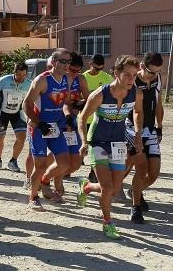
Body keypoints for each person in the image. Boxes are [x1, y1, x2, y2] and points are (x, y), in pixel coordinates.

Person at [77, 55, 143, 240]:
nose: (132, 79)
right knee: (107, 188)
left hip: (118, 142)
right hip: (97, 141)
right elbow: (82, 118)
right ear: (116, 74)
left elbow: (138, 112)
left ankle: (86, 187)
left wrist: (138, 136)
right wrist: (83, 142)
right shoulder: (100, 94)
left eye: (134, 75)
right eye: (127, 75)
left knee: (114, 190)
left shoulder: (136, 93)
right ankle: (108, 223)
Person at [22, 49, 73, 209]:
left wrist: (68, 114)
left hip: (56, 126)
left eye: (68, 61)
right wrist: (38, 122)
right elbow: (26, 104)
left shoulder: (67, 79)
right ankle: (33, 197)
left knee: (65, 163)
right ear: (54, 62)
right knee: (41, 165)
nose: (67, 65)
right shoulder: (41, 80)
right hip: (38, 127)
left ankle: (44, 182)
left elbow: (65, 102)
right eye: (63, 61)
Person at [125, 52, 164, 224]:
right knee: (141, 168)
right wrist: (137, 134)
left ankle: (135, 191)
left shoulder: (158, 79)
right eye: (151, 72)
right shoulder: (132, 81)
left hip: (151, 129)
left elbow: (159, 104)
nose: (154, 75)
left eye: (157, 72)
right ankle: (135, 208)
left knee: (154, 173)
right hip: (131, 128)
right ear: (142, 66)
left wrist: (160, 126)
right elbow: (134, 110)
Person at [52, 52, 89, 194]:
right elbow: (61, 102)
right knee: (56, 157)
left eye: (78, 71)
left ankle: (56, 177)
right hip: (56, 120)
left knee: (76, 163)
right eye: (72, 70)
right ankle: (52, 181)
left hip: (71, 122)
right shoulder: (58, 78)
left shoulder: (80, 79)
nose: (74, 73)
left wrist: (80, 104)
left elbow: (88, 99)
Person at [0, 62, 32, 172]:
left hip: (17, 112)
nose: (21, 78)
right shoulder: (5, 80)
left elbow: (33, 100)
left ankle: (13, 161)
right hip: (2, 112)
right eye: (19, 75)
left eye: (24, 75)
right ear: (14, 72)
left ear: (27, 74)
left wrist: (31, 115)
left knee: (21, 138)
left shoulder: (29, 84)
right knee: (0, 137)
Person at [82, 53, 113, 184]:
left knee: (97, 149)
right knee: (83, 148)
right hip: (84, 119)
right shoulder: (82, 77)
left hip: (99, 120)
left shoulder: (107, 78)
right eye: (95, 68)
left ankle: (92, 173)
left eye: (100, 68)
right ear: (90, 64)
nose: (98, 71)